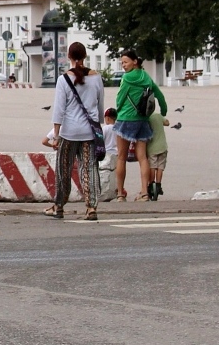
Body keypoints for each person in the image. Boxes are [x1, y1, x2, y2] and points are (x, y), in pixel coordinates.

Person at [43, 41, 105, 220]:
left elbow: (58, 110)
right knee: (89, 169)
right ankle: (91, 208)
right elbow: (100, 105)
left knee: (64, 169)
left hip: (68, 133)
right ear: (85, 56)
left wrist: (55, 136)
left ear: (69, 57)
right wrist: (98, 126)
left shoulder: (63, 79)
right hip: (89, 133)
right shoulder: (97, 78)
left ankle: (59, 206)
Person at [113, 48, 168, 202]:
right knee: (143, 158)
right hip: (142, 120)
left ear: (134, 61)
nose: (123, 65)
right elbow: (159, 95)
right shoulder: (146, 77)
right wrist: (163, 111)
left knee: (122, 157)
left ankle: (120, 195)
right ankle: (144, 193)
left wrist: (118, 110)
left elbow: (120, 99)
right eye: (122, 62)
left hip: (125, 120)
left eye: (125, 62)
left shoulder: (127, 78)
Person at [146, 109, 171, 200]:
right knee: (160, 167)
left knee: (152, 166)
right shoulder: (158, 116)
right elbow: (167, 123)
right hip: (162, 146)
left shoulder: (147, 118)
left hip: (152, 147)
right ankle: (158, 185)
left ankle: (151, 184)